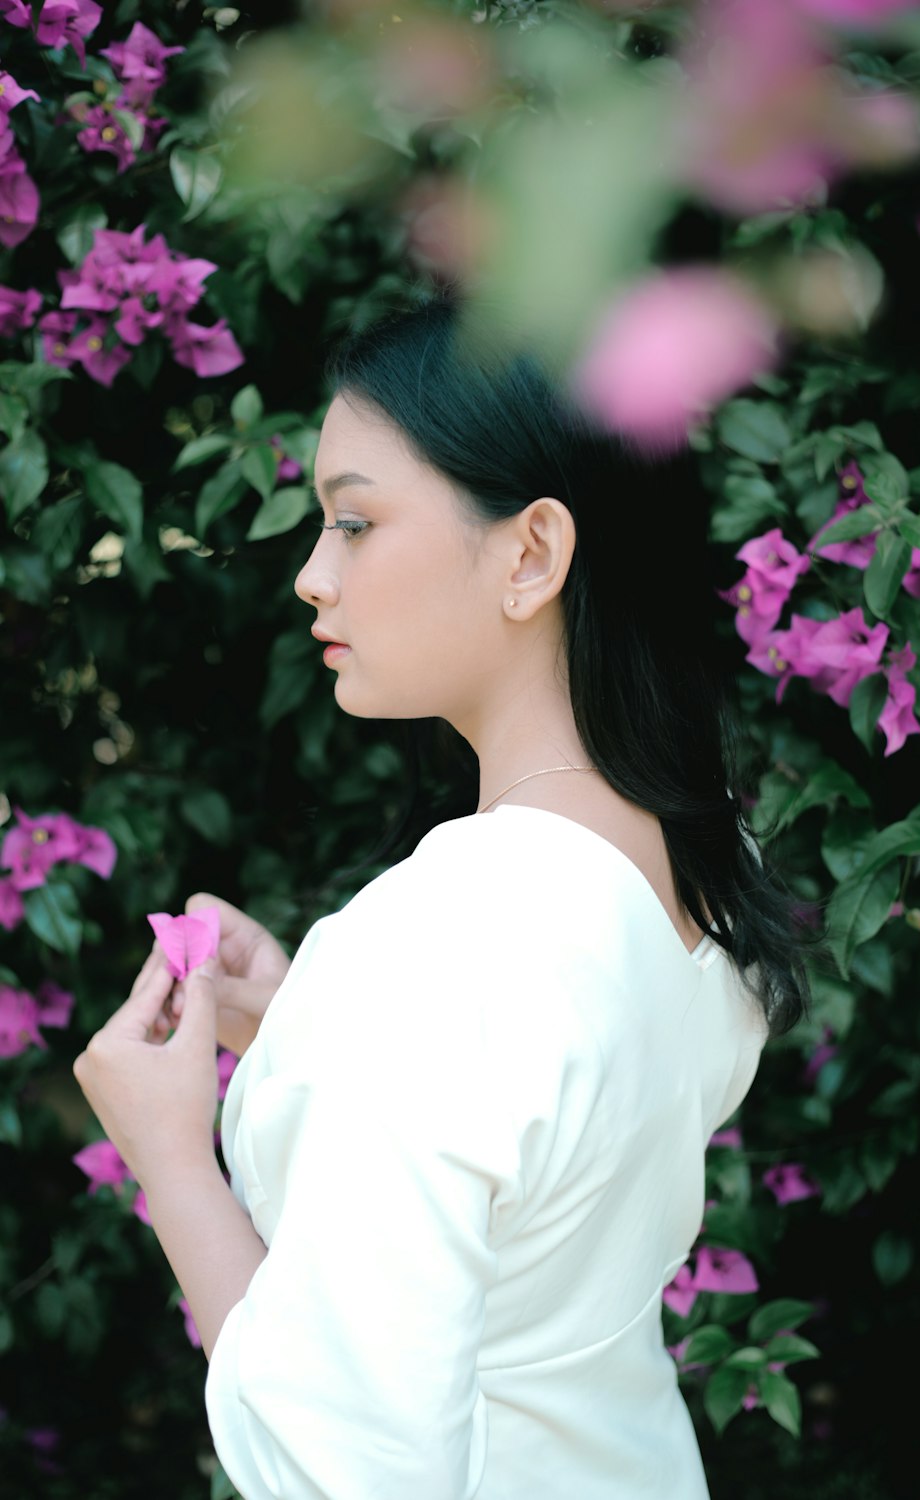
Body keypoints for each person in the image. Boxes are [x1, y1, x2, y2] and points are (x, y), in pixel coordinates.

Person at [73, 290, 809, 1500]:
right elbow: (538, 1169)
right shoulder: (692, 861)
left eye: (354, 524)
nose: (313, 576)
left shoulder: (443, 943)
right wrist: (312, 1016)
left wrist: (169, 1154)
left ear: (529, 555)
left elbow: (339, 1469)